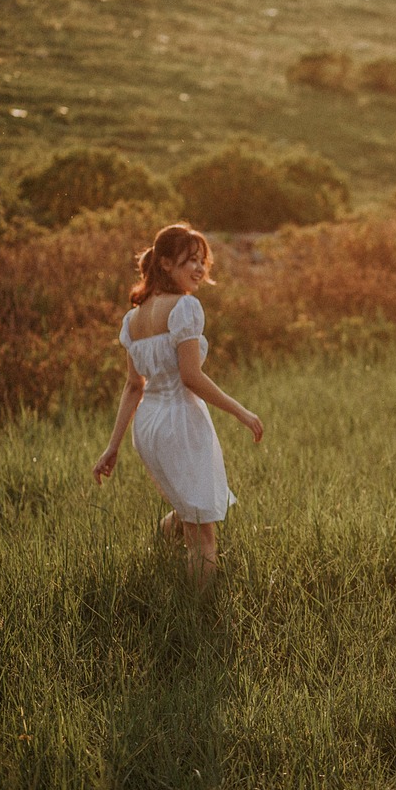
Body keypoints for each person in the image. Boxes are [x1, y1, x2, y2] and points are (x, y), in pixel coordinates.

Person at [92, 223, 263, 589]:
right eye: (191, 261)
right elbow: (191, 377)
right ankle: (197, 616)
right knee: (203, 534)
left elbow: (133, 387)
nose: (200, 269)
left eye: (203, 261)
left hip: (149, 427)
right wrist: (241, 412)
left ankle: (156, 557)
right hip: (180, 422)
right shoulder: (185, 307)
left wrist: (114, 446)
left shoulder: (133, 319)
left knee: (189, 511)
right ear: (166, 264)